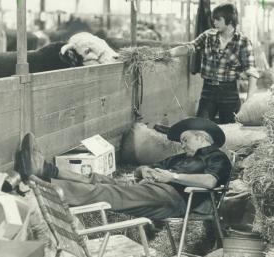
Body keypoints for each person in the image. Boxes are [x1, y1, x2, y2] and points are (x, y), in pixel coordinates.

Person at [16, 117, 231, 221]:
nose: (182, 145)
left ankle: (41, 188)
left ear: (202, 137)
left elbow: (210, 182)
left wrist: (172, 176)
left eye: (185, 140)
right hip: (151, 188)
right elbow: (148, 168)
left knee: (107, 192)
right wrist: (144, 171)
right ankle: (46, 170)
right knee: (100, 179)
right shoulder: (180, 157)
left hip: (174, 198)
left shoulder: (217, 157)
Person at [165, 3, 259, 124]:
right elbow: (190, 47)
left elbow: (252, 73)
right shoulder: (208, 35)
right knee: (200, 128)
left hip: (229, 93)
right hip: (208, 91)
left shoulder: (243, 42)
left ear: (230, 21)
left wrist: (249, 101)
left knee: (230, 130)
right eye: (214, 19)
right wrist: (167, 54)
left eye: (218, 19)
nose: (214, 22)